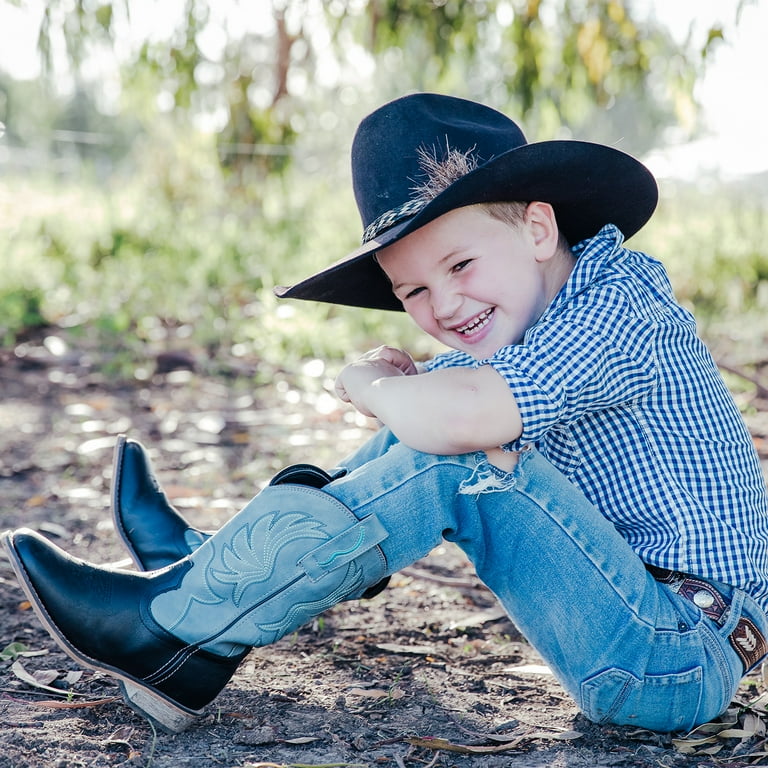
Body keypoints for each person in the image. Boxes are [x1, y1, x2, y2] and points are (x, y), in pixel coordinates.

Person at [4, 93, 768, 736]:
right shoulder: (521, 326)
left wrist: (367, 382)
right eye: (413, 293)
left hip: (677, 650)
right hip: (633, 624)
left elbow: (450, 426)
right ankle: (203, 577)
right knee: (424, 437)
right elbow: (413, 437)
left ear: (539, 229)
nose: (445, 307)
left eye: (460, 265)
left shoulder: (618, 303)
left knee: (458, 455)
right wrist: (401, 404)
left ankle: (171, 627)